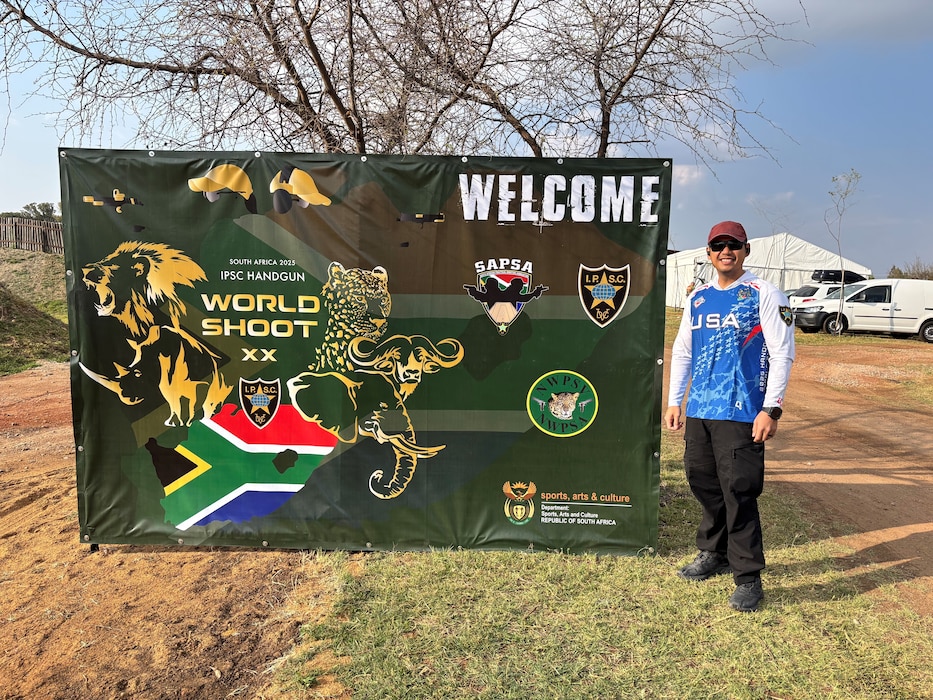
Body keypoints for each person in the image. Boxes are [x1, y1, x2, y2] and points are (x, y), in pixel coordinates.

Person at [664, 221, 795, 612]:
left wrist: (771, 408)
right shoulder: (699, 298)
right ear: (708, 253)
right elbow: (683, 351)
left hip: (742, 411)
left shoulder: (764, 293)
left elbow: (782, 353)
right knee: (701, 481)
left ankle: (748, 577)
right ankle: (714, 552)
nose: (726, 251)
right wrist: (675, 401)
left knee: (739, 491)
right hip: (701, 409)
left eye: (734, 244)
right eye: (718, 245)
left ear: (745, 250)